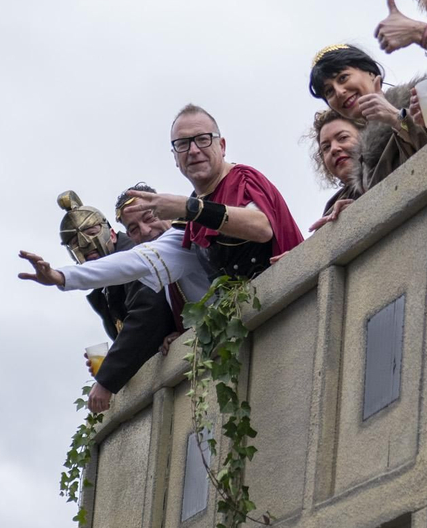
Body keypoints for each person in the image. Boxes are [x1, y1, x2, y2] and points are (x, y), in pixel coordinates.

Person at [16, 190, 179, 414]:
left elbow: (148, 317)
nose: (85, 244)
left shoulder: (139, 256)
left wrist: (107, 379)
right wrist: (111, 362)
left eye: (92, 233)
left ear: (112, 234)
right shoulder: (105, 289)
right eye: (75, 242)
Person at [124, 105, 304, 280]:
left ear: (222, 146)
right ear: (175, 157)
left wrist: (189, 208)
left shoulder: (242, 179)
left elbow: (262, 228)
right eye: (183, 143)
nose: (193, 150)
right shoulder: (193, 207)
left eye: (203, 139)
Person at [18, 183, 213, 310]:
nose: (145, 231)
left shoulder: (184, 238)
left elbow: (134, 261)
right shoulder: (156, 269)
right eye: (134, 228)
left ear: (167, 212)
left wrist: (60, 276)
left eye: (149, 218)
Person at [308, 43, 427, 194]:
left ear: (371, 72)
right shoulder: (361, 157)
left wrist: (395, 117)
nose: (339, 92)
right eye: (329, 91)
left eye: (343, 78)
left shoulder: (417, 98)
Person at [308, 109, 365, 231]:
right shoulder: (332, 206)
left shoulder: (388, 167)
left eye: (343, 137)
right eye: (326, 147)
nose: (334, 149)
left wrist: (362, 209)